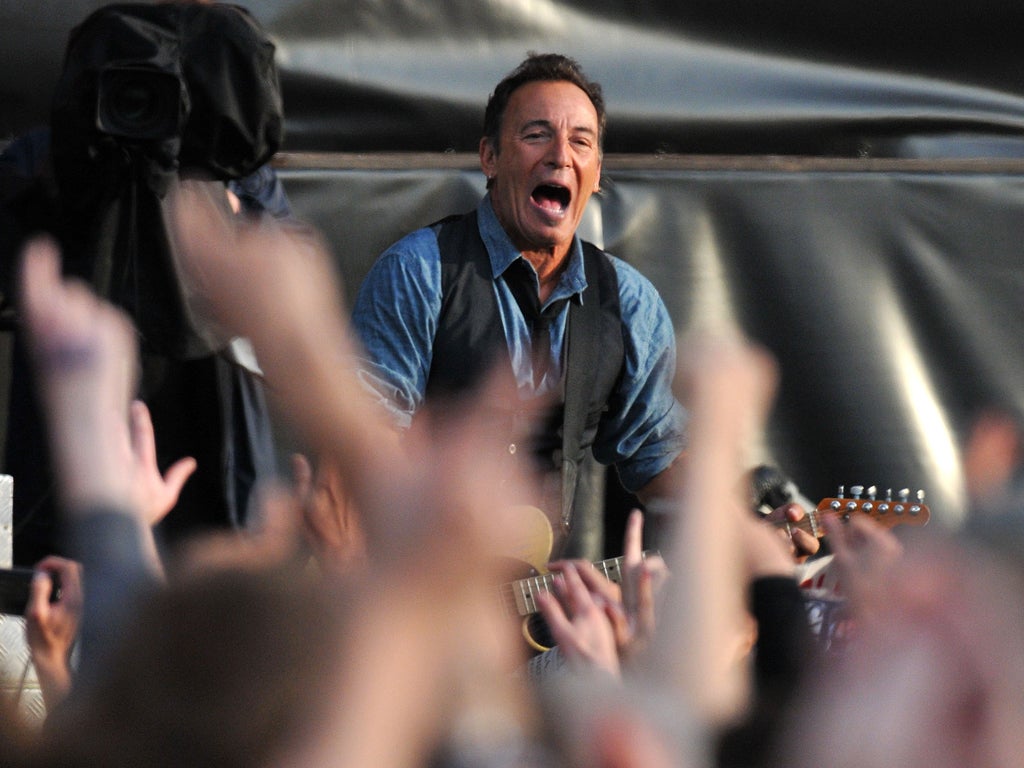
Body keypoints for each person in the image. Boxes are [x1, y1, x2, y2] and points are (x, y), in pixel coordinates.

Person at [0, 1, 287, 565]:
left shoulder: (232, 168)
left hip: (214, 455)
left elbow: (282, 298)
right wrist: (62, 198)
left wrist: (219, 212)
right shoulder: (51, 159)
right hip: (69, 472)